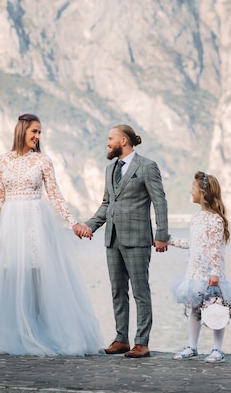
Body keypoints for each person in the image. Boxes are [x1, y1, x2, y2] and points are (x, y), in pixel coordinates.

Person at [0, 113, 104, 356]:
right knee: (12, 276)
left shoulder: (42, 161)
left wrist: (72, 222)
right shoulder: (2, 161)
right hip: (10, 223)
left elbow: (55, 195)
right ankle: (17, 332)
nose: (37, 137)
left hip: (35, 222)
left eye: (40, 133)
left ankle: (39, 331)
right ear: (22, 132)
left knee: (36, 276)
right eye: (34, 132)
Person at [75, 124, 169, 359]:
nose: (107, 143)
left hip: (138, 239)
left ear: (124, 140)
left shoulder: (147, 166)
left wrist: (161, 235)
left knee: (140, 292)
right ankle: (121, 339)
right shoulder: (110, 169)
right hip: (112, 239)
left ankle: (142, 342)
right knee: (118, 291)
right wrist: (89, 226)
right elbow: (107, 205)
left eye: (110, 138)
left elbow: (160, 202)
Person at [169, 171, 231, 363]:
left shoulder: (215, 219)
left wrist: (215, 272)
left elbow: (215, 247)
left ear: (203, 192)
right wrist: (169, 240)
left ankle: (218, 349)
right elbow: (193, 243)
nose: (190, 191)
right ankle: (192, 346)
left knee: (216, 308)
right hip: (194, 272)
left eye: (193, 188)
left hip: (210, 273)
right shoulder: (197, 217)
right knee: (194, 308)